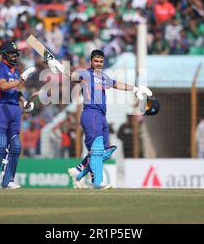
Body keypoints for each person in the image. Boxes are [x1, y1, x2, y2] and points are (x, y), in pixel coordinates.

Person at [65, 49, 152, 189]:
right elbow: (74, 76)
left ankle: (78, 172)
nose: (98, 64)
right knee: (97, 149)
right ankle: (97, 182)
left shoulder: (104, 77)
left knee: (104, 151)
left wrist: (136, 89)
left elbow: (117, 84)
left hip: (101, 115)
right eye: (96, 61)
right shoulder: (85, 73)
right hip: (91, 113)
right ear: (91, 62)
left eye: (101, 61)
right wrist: (65, 71)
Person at [0, 41, 36, 189]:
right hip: (2, 108)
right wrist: (21, 80)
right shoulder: (0, 69)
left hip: (15, 109)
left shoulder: (15, 70)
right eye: (11, 53)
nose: (14, 55)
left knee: (16, 146)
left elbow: (15, 90)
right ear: (4, 54)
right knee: (0, 142)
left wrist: (24, 101)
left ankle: (8, 180)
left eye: (15, 53)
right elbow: (4, 86)